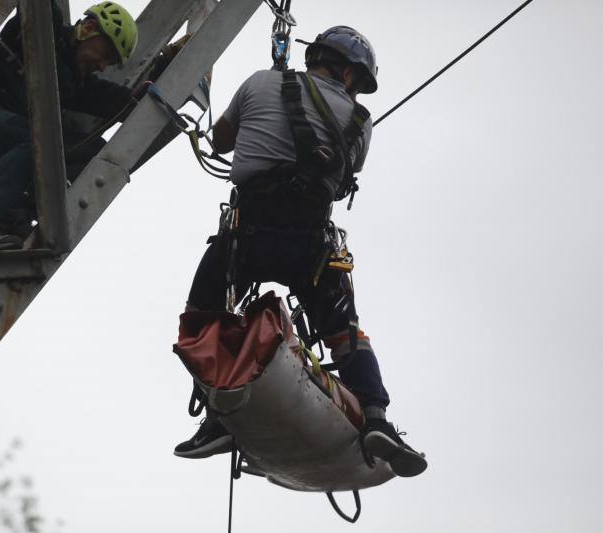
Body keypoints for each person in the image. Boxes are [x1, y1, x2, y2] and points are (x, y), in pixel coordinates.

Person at [173, 26, 427, 478]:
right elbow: (344, 172)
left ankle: (219, 419)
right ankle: (376, 417)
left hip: (247, 236)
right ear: (349, 73)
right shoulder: (360, 123)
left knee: (202, 317)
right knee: (345, 333)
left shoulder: (260, 82)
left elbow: (221, 141)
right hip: (309, 246)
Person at [0, 1, 153, 252]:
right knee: (46, 143)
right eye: (105, 54)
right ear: (88, 28)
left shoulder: (74, 81)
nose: (103, 66)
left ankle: (11, 222)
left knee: (92, 151)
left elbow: (119, 102)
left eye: (111, 62)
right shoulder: (41, 28)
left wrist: (158, 81)